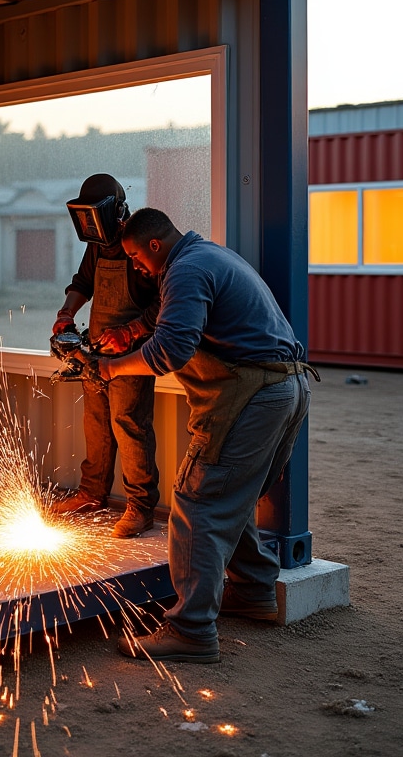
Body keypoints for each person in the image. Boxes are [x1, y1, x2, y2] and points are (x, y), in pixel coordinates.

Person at [98, 207, 317, 663]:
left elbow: (171, 350)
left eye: (135, 256)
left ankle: (191, 630)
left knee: (198, 502)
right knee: (229, 497)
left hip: (253, 396)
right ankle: (254, 591)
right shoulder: (208, 256)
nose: (136, 266)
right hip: (286, 389)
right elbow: (173, 321)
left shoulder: (187, 270)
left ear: (154, 245)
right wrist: (131, 333)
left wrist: (113, 368)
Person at [50, 174, 161, 538]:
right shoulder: (98, 245)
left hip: (131, 357)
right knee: (96, 424)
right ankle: (91, 494)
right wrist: (66, 313)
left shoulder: (139, 244)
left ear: (116, 213)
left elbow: (163, 303)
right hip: (96, 352)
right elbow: (83, 283)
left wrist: (129, 332)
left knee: (130, 426)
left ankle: (141, 507)